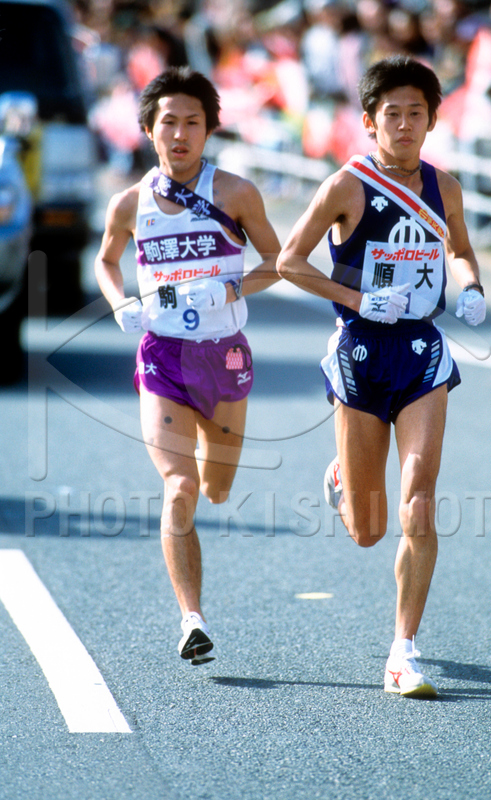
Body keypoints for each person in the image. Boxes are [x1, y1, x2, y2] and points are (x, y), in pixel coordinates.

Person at [277, 55, 486, 698]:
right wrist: (359, 300)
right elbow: (288, 261)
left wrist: (470, 284)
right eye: (390, 114)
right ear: (370, 122)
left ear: (430, 120)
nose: (403, 124)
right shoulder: (345, 186)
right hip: (361, 350)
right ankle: (342, 476)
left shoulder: (444, 187)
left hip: (421, 349)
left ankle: (403, 650)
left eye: (415, 113)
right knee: (368, 529)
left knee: (419, 493)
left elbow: (458, 248)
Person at [95, 66, 280, 665]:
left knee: (218, 490)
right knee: (181, 486)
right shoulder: (129, 204)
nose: (180, 133)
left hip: (223, 357)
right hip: (163, 359)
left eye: (192, 122)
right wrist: (120, 300)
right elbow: (106, 261)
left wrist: (230, 291)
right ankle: (191, 619)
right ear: (148, 129)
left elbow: (280, 262)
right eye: (168, 121)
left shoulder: (236, 193)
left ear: (209, 129)